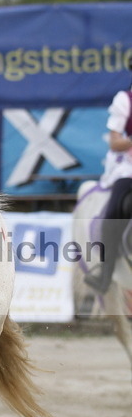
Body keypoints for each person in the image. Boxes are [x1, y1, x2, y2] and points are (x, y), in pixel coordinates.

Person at [84, 79, 132, 294]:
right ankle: (105, 273)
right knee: (114, 212)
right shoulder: (125, 100)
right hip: (129, 168)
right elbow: (115, 142)